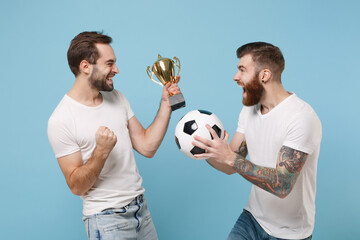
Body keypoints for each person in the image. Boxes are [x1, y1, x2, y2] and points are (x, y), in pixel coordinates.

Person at [47, 31, 181, 240]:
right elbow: (76, 186)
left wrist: (166, 104)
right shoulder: (62, 119)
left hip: (141, 211)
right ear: (85, 66)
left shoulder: (117, 97)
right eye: (109, 64)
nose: (116, 70)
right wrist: (101, 151)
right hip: (106, 221)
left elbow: (147, 146)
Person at [193, 42, 322, 240]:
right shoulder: (249, 109)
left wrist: (230, 158)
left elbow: (282, 185)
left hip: (291, 233)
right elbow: (230, 165)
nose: (235, 77)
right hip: (253, 218)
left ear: (264, 75)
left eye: (242, 70)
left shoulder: (301, 117)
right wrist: (202, 148)